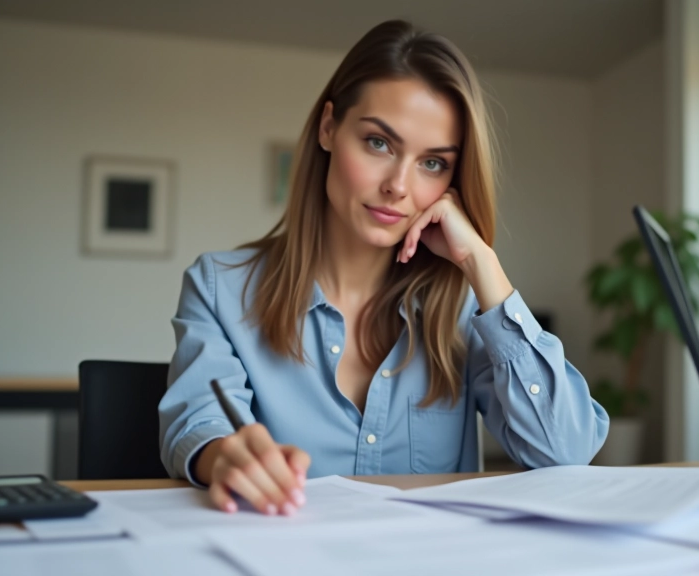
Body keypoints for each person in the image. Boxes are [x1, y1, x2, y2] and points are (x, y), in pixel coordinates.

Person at [158, 19, 609, 517]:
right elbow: (198, 422)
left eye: (432, 163)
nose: (399, 185)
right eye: (378, 143)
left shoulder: (465, 308)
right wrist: (224, 456)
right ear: (329, 127)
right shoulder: (221, 287)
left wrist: (482, 263)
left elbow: (566, 452)